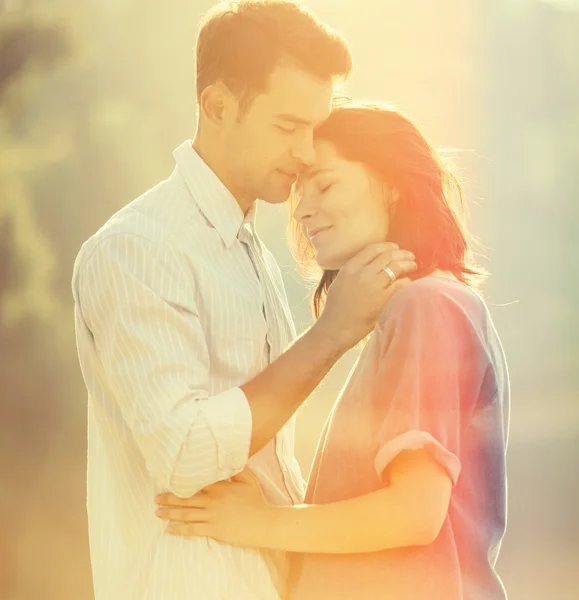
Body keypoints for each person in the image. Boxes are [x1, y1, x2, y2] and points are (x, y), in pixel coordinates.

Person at [71, 3, 417, 599]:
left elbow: (263, 463)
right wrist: (332, 333)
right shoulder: (139, 249)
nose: (308, 151)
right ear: (217, 107)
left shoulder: (245, 247)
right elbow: (183, 454)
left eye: (315, 127)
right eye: (288, 127)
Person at [155, 98, 511, 600]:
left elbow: (413, 515)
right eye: (300, 191)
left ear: (391, 185)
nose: (301, 210)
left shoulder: (427, 305)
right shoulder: (420, 309)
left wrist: (257, 523)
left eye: (325, 184)